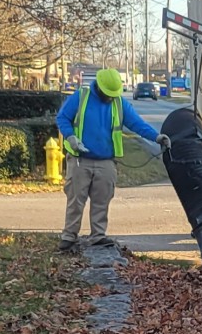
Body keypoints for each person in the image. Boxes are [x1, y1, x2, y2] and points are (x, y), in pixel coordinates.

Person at [55, 70, 167, 253]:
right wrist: (71, 137)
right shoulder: (81, 97)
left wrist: (156, 137)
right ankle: (69, 237)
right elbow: (62, 118)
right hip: (79, 159)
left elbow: (137, 124)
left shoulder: (119, 103)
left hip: (106, 160)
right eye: (107, 94)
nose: (110, 98)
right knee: (76, 199)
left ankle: (98, 235)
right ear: (98, 87)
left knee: (102, 200)